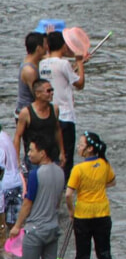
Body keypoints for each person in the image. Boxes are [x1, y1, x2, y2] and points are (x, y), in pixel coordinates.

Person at [9, 137, 63, 259]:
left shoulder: (35, 174)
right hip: (53, 228)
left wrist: (17, 226)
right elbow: (57, 201)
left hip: (35, 231)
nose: (29, 154)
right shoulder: (60, 172)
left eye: (32, 150)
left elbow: (27, 203)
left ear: (43, 153)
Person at [39, 30, 86, 182]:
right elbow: (79, 84)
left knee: (51, 156)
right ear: (63, 45)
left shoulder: (42, 63)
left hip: (48, 116)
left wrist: (76, 65)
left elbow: (61, 75)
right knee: (66, 158)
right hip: (65, 117)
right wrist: (79, 61)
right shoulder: (64, 64)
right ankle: (65, 187)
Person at [65, 132, 115, 259]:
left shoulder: (78, 169)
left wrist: (71, 212)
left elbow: (68, 194)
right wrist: (97, 185)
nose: (78, 147)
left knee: (82, 257)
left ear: (90, 149)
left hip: (83, 215)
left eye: (81, 145)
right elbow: (112, 182)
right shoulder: (104, 164)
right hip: (103, 214)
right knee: (105, 254)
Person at [14, 80, 65, 172]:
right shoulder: (26, 113)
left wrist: (62, 152)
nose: (52, 93)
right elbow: (17, 136)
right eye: (48, 91)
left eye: (52, 90)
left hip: (53, 156)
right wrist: (16, 160)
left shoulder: (55, 109)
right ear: (38, 94)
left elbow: (57, 130)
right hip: (35, 159)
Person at [17, 32, 47, 117]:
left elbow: (53, 57)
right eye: (44, 45)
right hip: (27, 114)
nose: (46, 47)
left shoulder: (33, 60)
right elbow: (38, 95)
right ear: (38, 49)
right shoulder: (29, 71)